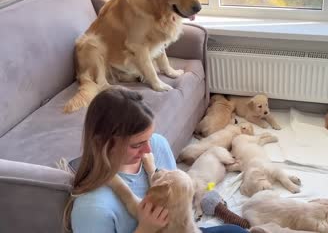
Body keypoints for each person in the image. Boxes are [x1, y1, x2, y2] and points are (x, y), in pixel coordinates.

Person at [63, 87, 248, 233]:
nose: (148, 150)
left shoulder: (156, 145)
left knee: (236, 230)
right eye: (137, 145)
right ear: (103, 143)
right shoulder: (92, 209)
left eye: (148, 139)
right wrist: (145, 229)